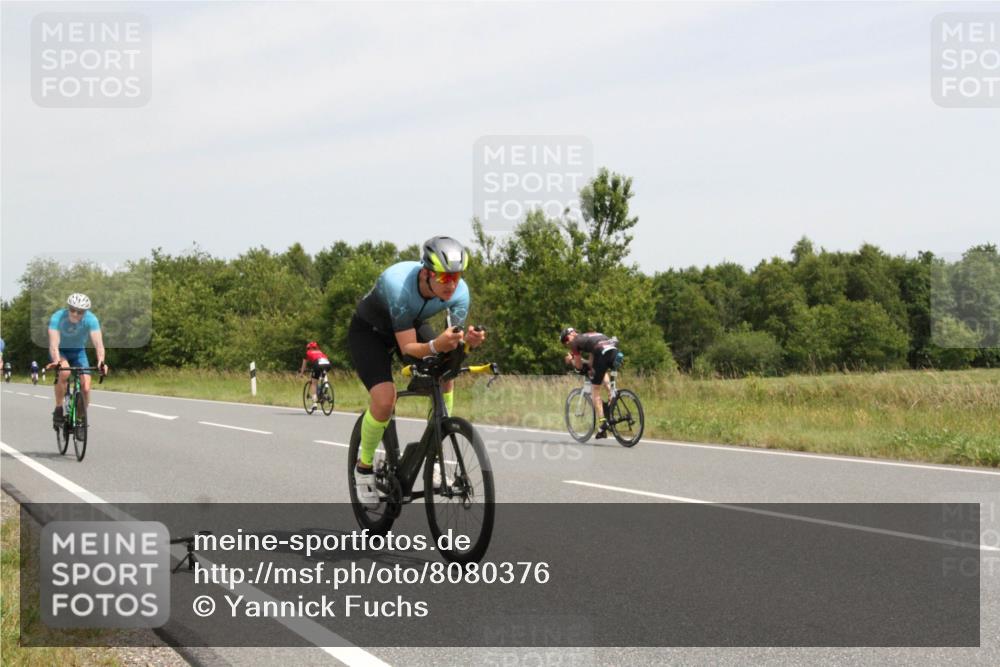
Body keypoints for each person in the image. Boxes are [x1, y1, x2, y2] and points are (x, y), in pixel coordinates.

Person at [348, 236, 485, 507]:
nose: (452, 285)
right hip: (370, 333)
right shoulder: (399, 285)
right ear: (426, 273)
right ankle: (363, 469)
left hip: (409, 325)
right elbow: (410, 349)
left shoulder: (460, 293)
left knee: (445, 377)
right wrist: (435, 345)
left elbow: (451, 347)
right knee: (386, 399)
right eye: (445, 278)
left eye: (456, 277)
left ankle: (432, 453)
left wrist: (467, 344)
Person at [47, 293, 109, 429]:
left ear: (85, 312)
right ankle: (58, 409)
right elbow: (53, 344)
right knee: (65, 372)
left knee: (86, 387)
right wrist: (57, 360)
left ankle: (80, 420)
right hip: (60, 351)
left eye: (80, 312)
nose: (75, 314)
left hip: (78, 352)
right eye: (72, 310)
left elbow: (99, 344)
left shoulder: (91, 320)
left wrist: (101, 361)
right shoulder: (57, 317)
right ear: (68, 308)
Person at [561, 327, 619, 439]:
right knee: (601, 370)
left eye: (565, 342)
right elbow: (592, 362)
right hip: (613, 348)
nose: (567, 344)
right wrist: (585, 363)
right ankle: (611, 396)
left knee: (595, 390)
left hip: (601, 352)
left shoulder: (575, 342)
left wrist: (571, 361)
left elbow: (578, 366)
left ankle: (602, 423)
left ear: (568, 337)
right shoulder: (589, 336)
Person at [298, 341, 331, 411]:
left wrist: (301, 373)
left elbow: (304, 365)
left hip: (317, 364)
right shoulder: (320, 351)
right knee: (323, 372)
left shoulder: (307, 353)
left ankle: (314, 403)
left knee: (314, 383)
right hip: (327, 363)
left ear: (308, 348)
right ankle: (326, 383)